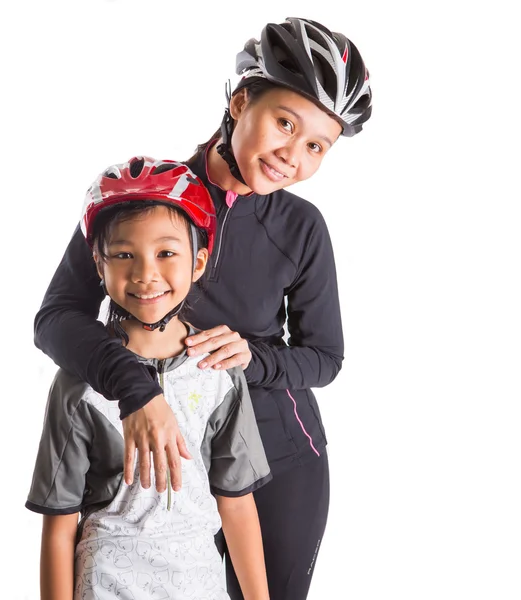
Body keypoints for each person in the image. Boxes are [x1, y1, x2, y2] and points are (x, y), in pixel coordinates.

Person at [34, 16, 372, 600]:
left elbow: (325, 357)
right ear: (242, 102)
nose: (292, 155)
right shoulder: (144, 199)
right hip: (153, 460)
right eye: (284, 123)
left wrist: (253, 357)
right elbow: (56, 320)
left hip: (281, 456)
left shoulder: (302, 227)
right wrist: (135, 388)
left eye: (316, 145)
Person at [26, 158, 272, 600]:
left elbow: (237, 505)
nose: (145, 274)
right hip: (106, 582)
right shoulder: (77, 386)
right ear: (97, 266)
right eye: (123, 255)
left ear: (197, 262)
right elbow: (59, 528)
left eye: (166, 253)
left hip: (198, 580)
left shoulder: (218, 372)